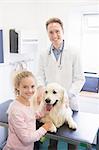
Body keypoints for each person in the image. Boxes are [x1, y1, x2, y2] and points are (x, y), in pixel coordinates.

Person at [36, 17, 85, 150]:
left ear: (63, 31)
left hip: (70, 103)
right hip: (49, 105)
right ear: (47, 34)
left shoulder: (74, 52)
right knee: (53, 139)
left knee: (71, 140)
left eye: (57, 31)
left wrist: (66, 96)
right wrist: (41, 90)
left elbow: (80, 78)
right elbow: (40, 76)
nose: (54, 35)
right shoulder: (43, 54)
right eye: (51, 32)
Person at [3, 71, 53, 150]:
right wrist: (44, 128)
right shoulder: (15, 110)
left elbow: (30, 115)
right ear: (17, 87)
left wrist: (44, 112)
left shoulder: (27, 101)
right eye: (25, 87)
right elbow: (26, 139)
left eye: (32, 86)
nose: (30, 90)